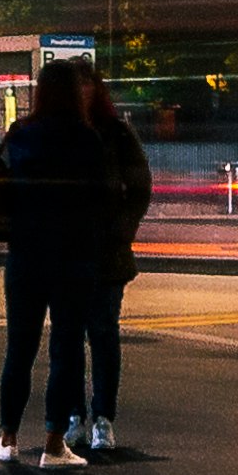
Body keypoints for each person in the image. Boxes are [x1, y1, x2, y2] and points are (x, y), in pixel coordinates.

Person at [0, 60, 127, 468]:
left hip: (25, 256)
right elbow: (105, 201)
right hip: (73, 258)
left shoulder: (20, 135)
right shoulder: (87, 139)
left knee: (19, 348)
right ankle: (52, 444)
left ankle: (7, 438)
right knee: (66, 349)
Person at [77, 64, 154, 454]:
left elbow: (141, 187)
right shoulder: (56, 133)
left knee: (103, 333)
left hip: (106, 252)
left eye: (85, 85)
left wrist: (122, 230)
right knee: (69, 337)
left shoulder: (117, 134)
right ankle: (73, 415)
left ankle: (103, 417)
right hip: (67, 251)